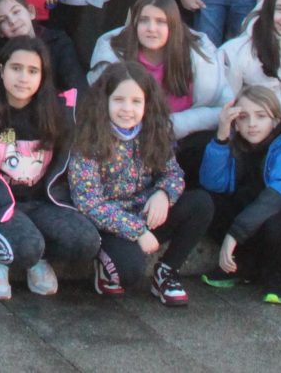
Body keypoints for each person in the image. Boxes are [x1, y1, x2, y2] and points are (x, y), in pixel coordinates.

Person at [0, 37, 96, 300]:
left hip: (39, 204)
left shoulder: (59, 113)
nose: (23, 77)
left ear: (42, 76)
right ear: (1, 71)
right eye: (16, 68)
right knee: (26, 247)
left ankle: (36, 254)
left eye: (32, 71)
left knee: (86, 242)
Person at [72, 62, 214, 306]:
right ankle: (104, 264)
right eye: (119, 100)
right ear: (104, 101)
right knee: (129, 273)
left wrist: (163, 194)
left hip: (147, 212)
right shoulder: (89, 139)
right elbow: (88, 201)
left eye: (136, 101)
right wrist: (136, 230)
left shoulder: (153, 131)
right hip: (111, 223)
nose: (127, 109)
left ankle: (167, 272)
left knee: (201, 203)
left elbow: (173, 174)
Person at [87, 0, 228, 171]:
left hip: (184, 145)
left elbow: (226, 108)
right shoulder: (113, 56)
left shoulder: (199, 55)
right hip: (129, 149)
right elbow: (99, 113)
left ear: (173, 25)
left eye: (160, 22)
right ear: (134, 23)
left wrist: (175, 124)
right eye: (144, 20)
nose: (151, 28)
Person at [197, 86, 281, 305]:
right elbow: (213, 183)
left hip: (278, 221)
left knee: (278, 223)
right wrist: (221, 135)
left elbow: (277, 197)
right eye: (244, 118)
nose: (252, 124)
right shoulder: (237, 142)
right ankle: (242, 265)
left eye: (261, 116)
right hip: (247, 222)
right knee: (208, 201)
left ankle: (278, 276)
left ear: (275, 120)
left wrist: (234, 234)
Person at [0, 0, 83, 101]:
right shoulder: (0, 57)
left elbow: (77, 88)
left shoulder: (58, 42)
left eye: (16, 12)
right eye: (3, 20)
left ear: (31, 11)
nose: (12, 21)